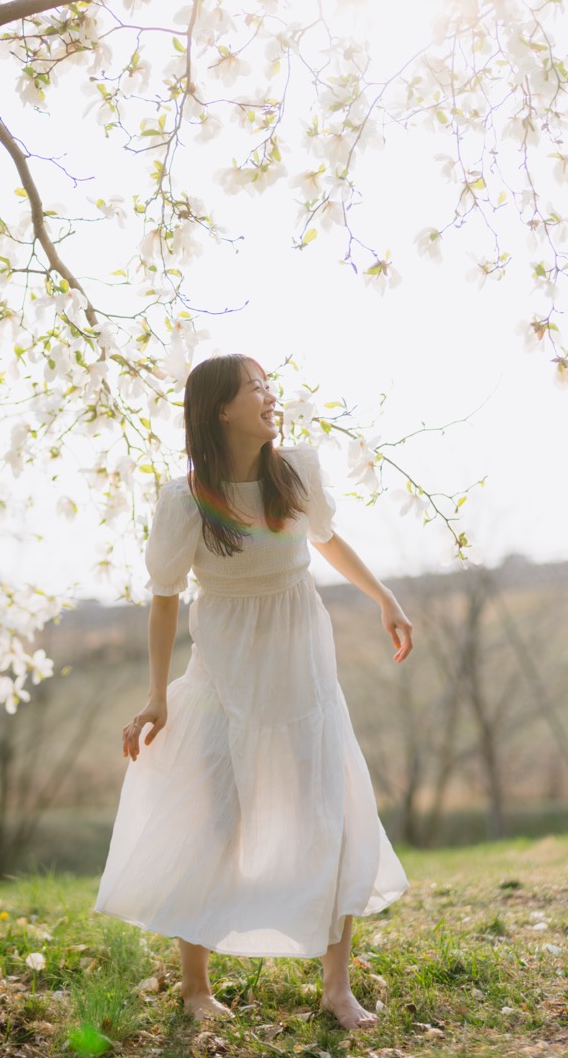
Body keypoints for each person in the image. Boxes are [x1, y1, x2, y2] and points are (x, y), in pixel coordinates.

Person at [94, 354, 413, 1030]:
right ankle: (195, 989)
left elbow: (325, 540)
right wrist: (157, 694)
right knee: (209, 821)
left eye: (268, 385)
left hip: (303, 679)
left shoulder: (294, 472)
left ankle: (336, 989)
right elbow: (162, 601)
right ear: (220, 410)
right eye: (256, 388)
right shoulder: (187, 501)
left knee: (331, 812)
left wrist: (383, 597)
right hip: (225, 682)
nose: (271, 396)